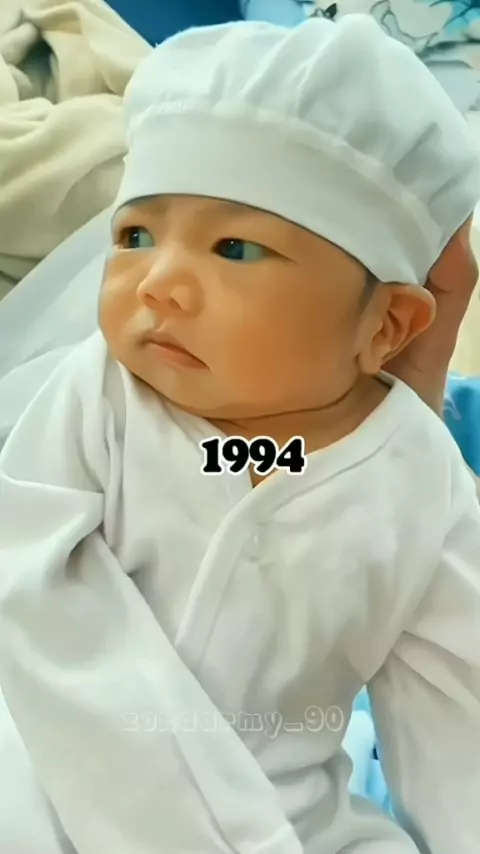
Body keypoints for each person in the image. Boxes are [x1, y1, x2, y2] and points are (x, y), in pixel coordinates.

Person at [0, 13, 480, 854]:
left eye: (235, 248)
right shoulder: (100, 398)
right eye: (135, 236)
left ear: (388, 325)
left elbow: (457, 704)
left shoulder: (419, 477)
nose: (158, 283)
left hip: (298, 815)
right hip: (49, 778)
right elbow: (34, 594)